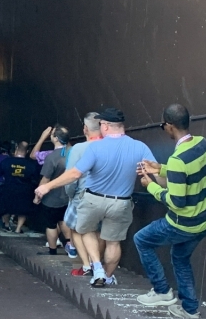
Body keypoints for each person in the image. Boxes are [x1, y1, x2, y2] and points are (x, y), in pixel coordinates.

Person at [35, 107, 154, 288]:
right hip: (121, 202)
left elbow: (75, 174)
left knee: (84, 230)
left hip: (93, 199)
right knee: (113, 242)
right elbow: (156, 170)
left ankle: (96, 267)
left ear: (105, 126)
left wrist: (47, 186)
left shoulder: (95, 146)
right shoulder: (140, 146)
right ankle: (107, 275)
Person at [135, 103, 206, 319]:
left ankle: (162, 291)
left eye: (163, 125)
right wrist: (159, 168)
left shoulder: (178, 159)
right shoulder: (203, 144)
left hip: (183, 223)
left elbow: (176, 201)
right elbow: (190, 171)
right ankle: (189, 309)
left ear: (169, 126)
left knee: (141, 240)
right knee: (180, 258)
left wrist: (150, 185)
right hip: (204, 220)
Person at [64, 113, 102, 275]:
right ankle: (98, 264)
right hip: (105, 196)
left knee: (76, 228)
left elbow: (71, 177)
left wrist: (70, 194)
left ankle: (87, 264)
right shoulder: (108, 146)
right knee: (100, 232)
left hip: (82, 195)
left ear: (85, 129)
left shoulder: (78, 148)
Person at [36, 126, 71, 254]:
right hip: (70, 195)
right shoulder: (74, 152)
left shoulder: (52, 157)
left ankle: (52, 250)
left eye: (52, 135)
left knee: (51, 224)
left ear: (56, 138)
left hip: (52, 197)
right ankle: (70, 246)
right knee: (65, 220)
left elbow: (45, 179)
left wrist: (37, 196)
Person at [0, 140, 39, 232]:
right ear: (27, 151)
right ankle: (18, 228)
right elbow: (35, 178)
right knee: (23, 209)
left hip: (8, 188)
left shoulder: (6, 161)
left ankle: (6, 225)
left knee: (5, 207)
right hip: (25, 190)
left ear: (16, 148)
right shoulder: (31, 164)